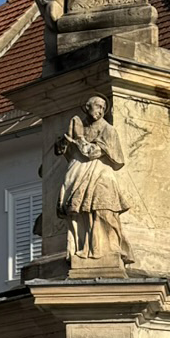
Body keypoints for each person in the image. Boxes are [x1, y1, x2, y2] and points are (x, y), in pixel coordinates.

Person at [57, 96, 132, 263]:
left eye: (103, 107)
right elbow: (61, 151)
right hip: (79, 174)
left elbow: (93, 153)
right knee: (82, 212)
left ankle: (109, 248)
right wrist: (66, 139)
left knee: (104, 210)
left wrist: (78, 139)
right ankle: (85, 248)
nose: (100, 110)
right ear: (86, 107)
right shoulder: (80, 126)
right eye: (97, 106)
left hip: (101, 175)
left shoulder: (108, 130)